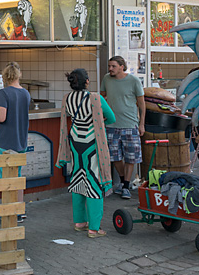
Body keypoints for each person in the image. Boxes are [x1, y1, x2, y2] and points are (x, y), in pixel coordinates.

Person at [56, 68, 115, 238]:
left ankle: (80, 222)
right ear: (87, 82)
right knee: (94, 182)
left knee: (78, 178)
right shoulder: (95, 98)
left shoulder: (67, 98)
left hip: (75, 141)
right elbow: (111, 118)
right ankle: (94, 228)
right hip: (91, 143)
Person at [0, 61, 32, 221]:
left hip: (5, 142)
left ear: (5, 76)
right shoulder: (25, 93)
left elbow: (1, 117)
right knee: (17, 178)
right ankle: (19, 210)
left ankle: (7, 212)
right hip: (21, 141)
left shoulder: (3, 94)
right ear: (19, 75)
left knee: (6, 179)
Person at [101, 56, 145, 199]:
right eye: (109, 66)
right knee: (115, 157)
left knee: (131, 157)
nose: (110, 69)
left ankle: (126, 185)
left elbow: (142, 104)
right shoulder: (107, 79)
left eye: (113, 66)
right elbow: (101, 98)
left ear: (121, 66)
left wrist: (141, 123)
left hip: (130, 124)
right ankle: (122, 181)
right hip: (111, 125)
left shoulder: (133, 81)